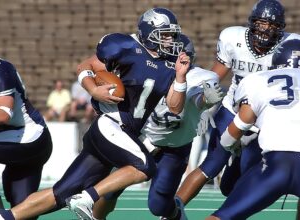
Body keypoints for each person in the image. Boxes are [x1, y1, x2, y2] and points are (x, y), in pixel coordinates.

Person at [0, 7, 190, 220]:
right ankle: (88, 197)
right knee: (144, 167)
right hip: (111, 124)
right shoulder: (125, 45)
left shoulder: (171, 64)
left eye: (172, 35)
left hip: (125, 133)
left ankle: (5, 217)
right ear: (148, 33)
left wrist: (181, 78)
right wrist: (93, 89)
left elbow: (174, 107)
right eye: (165, 35)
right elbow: (85, 66)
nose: (170, 40)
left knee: (60, 193)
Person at [65, 34, 224, 220]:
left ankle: (176, 212)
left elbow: (196, 99)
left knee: (159, 205)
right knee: (109, 192)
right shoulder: (150, 67)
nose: (169, 58)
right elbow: (91, 66)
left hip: (174, 147)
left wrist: (205, 100)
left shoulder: (199, 76)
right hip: (142, 137)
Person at [176, 0, 300, 204]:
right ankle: (170, 214)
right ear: (252, 23)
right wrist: (201, 103)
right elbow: (214, 76)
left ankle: (236, 165)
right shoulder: (233, 38)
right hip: (232, 112)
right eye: (262, 24)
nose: (266, 31)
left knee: (235, 186)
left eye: (272, 26)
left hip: (263, 121)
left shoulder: (291, 46)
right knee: (210, 167)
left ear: (281, 29)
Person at [206, 39, 300, 220]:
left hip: (280, 164)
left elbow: (238, 126)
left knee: (222, 217)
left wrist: (227, 148)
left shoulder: (258, 80)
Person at [0, 57, 53, 218]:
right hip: (10, 139)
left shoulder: (0, 68)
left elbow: (3, 114)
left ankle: (75, 191)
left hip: (29, 139)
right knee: (24, 212)